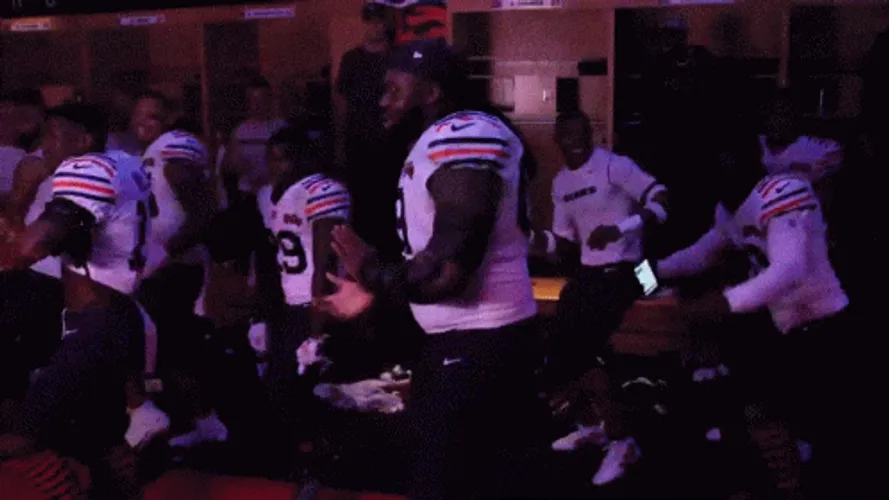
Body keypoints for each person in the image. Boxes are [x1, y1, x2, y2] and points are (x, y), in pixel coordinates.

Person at [317, 39, 549, 499]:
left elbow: (446, 275)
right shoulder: (446, 136)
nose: (383, 101)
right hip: (478, 342)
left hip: (477, 346)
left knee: (439, 483)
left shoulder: (462, 133)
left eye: (394, 89)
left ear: (432, 91)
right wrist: (377, 288)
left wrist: (371, 272)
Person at [657, 162, 850, 498]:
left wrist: (726, 302)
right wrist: (646, 273)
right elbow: (701, 254)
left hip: (821, 323)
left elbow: (789, 269)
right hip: (783, 324)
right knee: (760, 411)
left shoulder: (783, 191)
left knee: (811, 430)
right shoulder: (729, 209)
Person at [0, 104, 151, 498]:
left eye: (54, 136)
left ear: (84, 140)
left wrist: (22, 194)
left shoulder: (86, 168)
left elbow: (30, 248)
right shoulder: (123, 162)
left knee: (20, 437)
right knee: (98, 446)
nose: (45, 147)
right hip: (112, 317)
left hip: (96, 327)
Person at [531, 109, 668, 485]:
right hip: (591, 274)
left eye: (582, 132)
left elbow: (661, 199)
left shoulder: (614, 166)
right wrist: (529, 240)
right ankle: (593, 425)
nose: (575, 140)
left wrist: (621, 228)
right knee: (558, 348)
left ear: (590, 134)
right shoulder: (561, 182)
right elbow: (563, 241)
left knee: (593, 346)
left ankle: (624, 442)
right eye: (567, 134)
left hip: (634, 269)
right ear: (557, 140)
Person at [253, 127, 349, 415]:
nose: (273, 168)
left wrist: (317, 330)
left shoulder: (322, 190)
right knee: (284, 393)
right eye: (270, 160)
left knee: (314, 395)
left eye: (280, 159)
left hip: (320, 304)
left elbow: (325, 262)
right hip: (292, 305)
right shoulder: (280, 194)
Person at [335, 2, 402, 261]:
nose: (375, 26)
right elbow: (341, 104)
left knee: (393, 209)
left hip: (393, 146)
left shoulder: (398, 57)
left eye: (379, 20)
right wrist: (341, 145)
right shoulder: (352, 60)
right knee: (362, 210)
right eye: (370, 20)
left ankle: (393, 264)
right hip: (359, 147)